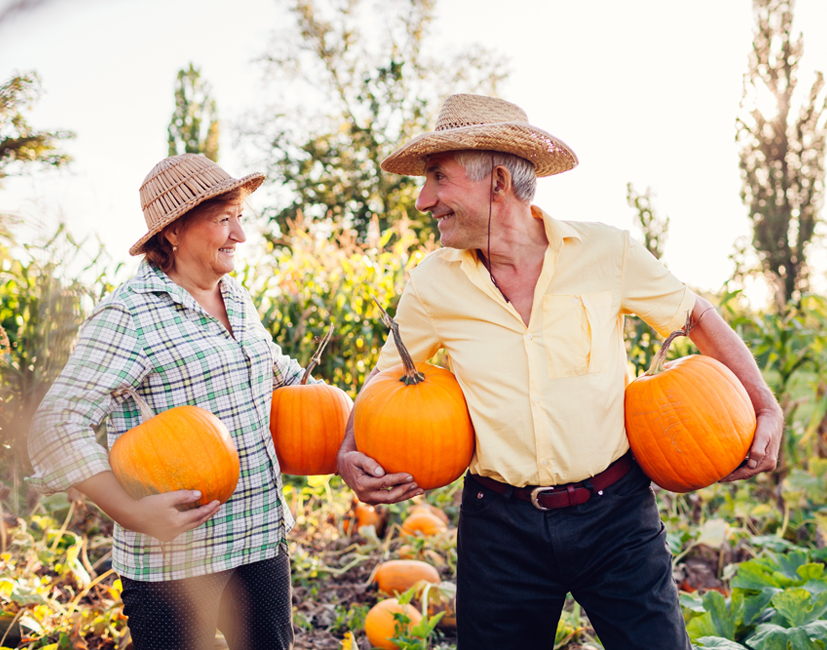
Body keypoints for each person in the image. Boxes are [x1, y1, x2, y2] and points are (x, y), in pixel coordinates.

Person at [336, 94, 784, 649]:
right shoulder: (433, 284)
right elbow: (385, 381)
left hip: (616, 516)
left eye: (437, 179)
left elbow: (695, 315)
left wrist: (763, 404)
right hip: (499, 527)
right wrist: (348, 450)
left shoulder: (605, 251)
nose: (425, 201)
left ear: (497, 181)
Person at [28, 153, 306, 650]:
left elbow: (275, 372)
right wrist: (131, 513)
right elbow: (56, 422)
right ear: (173, 232)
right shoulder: (128, 315)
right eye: (224, 220)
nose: (239, 235)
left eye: (240, 218)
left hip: (260, 534)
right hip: (175, 560)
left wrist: (357, 403)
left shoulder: (235, 297)